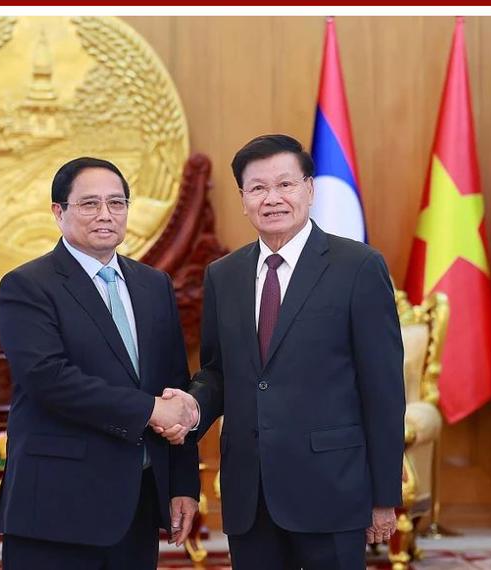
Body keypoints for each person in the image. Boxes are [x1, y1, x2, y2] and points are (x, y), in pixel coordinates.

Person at [157, 134, 405, 569]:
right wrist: (194, 406)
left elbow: (383, 390)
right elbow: (217, 370)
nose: (272, 198)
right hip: (249, 494)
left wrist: (384, 495)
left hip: (332, 490)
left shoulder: (359, 267)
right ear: (243, 199)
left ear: (309, 189)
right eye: (258, 188)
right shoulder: (223, 275)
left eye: (285, 185)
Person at [0, 156, 200, 570]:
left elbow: (175, 383)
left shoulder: (153, 285)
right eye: (89, 204)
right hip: (55, 508)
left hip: (137, 504)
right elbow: (48, 379)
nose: (106, 215)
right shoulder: (28, 286)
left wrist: (182, 485)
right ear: (59, 212)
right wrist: (150, 409)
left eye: (117, 203)